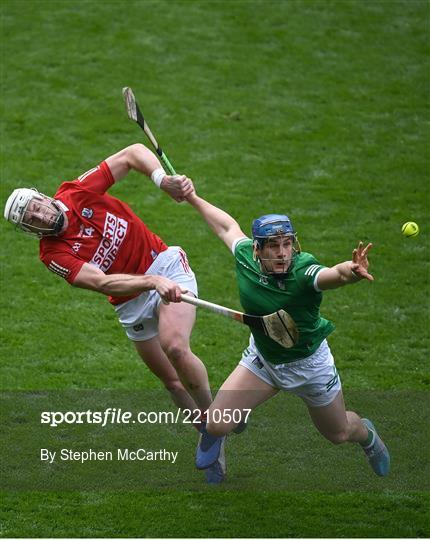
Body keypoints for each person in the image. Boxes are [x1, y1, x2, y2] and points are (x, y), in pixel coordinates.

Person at [3, 143, 224, 484]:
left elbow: (131, 154)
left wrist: (161, 179)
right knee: (171, 382)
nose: (39, 215)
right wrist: (150, 283)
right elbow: (103, 283)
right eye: (30, 220)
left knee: (176, 347)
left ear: (43, 197)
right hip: (130, 300)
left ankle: (217, 420)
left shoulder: (76, 192)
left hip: (163, 263)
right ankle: (209, 435)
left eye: (35, 207)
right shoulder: (52, 255)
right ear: (31, 231)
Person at [187, 191, 390, 478]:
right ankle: (227, 429)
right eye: (273, 246)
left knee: (339, 433)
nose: (282, 253)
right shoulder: (246, 257)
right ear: (257, 249)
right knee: (217, 424)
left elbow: (332, 275)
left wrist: (351, 272)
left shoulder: (303, 271)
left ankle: (367, 434)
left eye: (286, 244)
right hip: (265, 359)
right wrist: (192, 197)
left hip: (309, 366)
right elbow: (226, 227)